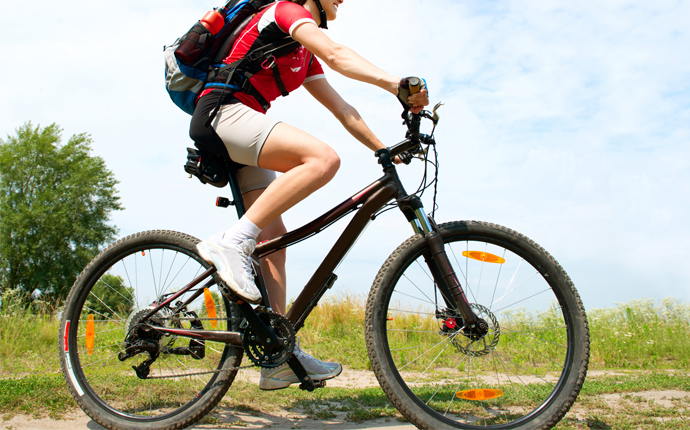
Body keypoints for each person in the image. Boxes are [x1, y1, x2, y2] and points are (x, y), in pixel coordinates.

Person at [189, 0, 428, 390]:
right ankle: (231, 243)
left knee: (274, 242)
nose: (343, 0)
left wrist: (382, 149)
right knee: (321, 159)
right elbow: (336, 54)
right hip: (223, 111)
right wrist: (396, 85)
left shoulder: (303, 54)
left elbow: (342, 107)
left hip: (243, 119)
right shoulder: (284, 10)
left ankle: (277, 355)